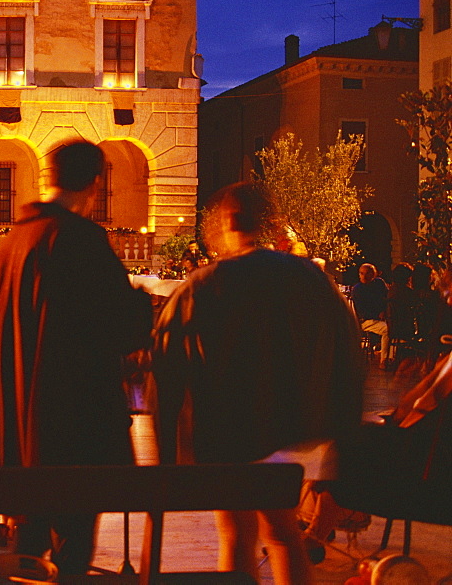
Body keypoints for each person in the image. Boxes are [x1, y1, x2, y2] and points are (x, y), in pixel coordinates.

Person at [152, 182, 362, 584]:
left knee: (236, 532)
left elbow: (167, 365)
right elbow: (346, 348)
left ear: (228, 221)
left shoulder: (203, 286)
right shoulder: (309, 280)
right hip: (291, 429)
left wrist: (169, 454)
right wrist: (339, 425)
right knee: (282, 533)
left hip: (227, 433)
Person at [0, 140, 152, 574]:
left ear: (47, 177)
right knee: (73, 545)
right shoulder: (81, 239)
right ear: (94, 184)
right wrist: (144, 304)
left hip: (19, 427)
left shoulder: (13, 241)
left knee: (27, 547)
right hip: (72, 428)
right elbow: (123, 329)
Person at [352, 262, 390, 367]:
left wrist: (385, 311)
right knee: (387, 330)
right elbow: (361, 311)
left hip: (381, 317)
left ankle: (391, 356)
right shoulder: (358, 289)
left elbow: (387, 299)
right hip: (365, 320)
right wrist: (378, 314)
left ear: (374, 275)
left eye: (367, 273)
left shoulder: (379, 283)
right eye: (361, 273)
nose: (363, 276)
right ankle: (384, 360)